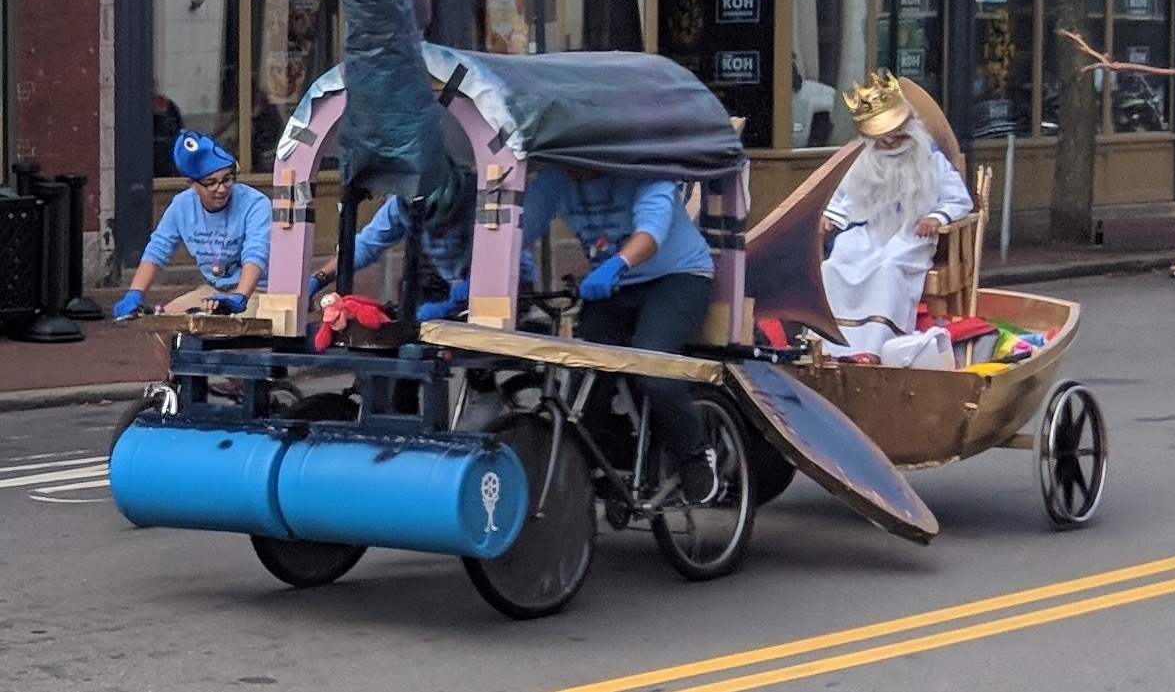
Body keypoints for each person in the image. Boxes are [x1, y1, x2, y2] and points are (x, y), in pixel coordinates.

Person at [519, 164, 720, 504]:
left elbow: (652, 231)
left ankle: (695, 454)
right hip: (611, 286)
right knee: (585, 382)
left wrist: (618, 263)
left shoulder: (641, 168)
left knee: (653, 368)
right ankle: (605, 464)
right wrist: (479, 275)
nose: (576, 167)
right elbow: (519, 229)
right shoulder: (557, 177)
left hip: (676, 276)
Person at [820, 70, 973, 354]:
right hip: (870, 229)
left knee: (888, 269)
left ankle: (877, 347)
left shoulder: (930, 158)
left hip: (911, 232)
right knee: (835, 263)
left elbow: (958, 199)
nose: (890, 144)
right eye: (883, 139)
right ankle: (835, 349)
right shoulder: (866, 160)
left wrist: (936, 218)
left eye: (897, 137)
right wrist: (831, 217)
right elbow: (846, 197)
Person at [308, 162, 536, 320]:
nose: (435, 233)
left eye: (442, 226)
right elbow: (365, 246)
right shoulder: (403, 204)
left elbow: (500, 262)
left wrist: (462, 296)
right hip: (455, 286)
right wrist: (318, 280)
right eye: (429, 227)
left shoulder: (480, 202)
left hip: (510, 285)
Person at [112, 131, 271, 319]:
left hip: (259, 290)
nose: (221, 189)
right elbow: (158, 249)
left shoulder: (255, 203)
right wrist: (135, 293)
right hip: (212, 291)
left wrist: (240, 297)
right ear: (192, 184)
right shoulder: (181, 205)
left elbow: (256, 253)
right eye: (211, 183)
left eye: (227, 179)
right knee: (163, 324)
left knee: (225, 324)